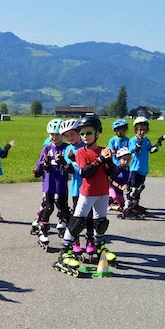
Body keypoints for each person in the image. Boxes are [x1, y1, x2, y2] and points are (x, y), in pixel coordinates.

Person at [54, 116, 118, 276]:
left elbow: (113, 172)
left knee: (100, 222)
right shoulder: (82, 152)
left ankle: (100, 246)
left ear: (97, 133)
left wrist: (109, 161)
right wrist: (100, 159)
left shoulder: (103, 150)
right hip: (88, 193)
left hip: (103, 192)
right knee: (78, 221)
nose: (85, 136)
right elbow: (84, 172)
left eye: (88, 133)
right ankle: (65, 251)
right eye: (82, 133)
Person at [31, 119, 70, 250]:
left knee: (63, 207)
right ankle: (43, 231)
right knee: (48, 207)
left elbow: (71, 164)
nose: (54, 137)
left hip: (61, 183)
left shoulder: (66, 148)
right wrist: (39, 169)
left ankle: (68, 229)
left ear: (62, 134)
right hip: (49, 184)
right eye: (52, 134)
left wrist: (65, 162)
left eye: (57, 134)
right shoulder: (47, 148)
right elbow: (40, 163)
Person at [121, 116, 165, 219]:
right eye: (140, 129)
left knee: (139, 189)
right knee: (133, 189)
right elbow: (135, 151)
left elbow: (151, 150)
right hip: (135, 169)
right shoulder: (133, 140)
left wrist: (159, 143)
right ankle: (127, 208)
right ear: (136, 130)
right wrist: (139, 143)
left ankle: (135, 205)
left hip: (144, 169)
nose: (142, 132)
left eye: (144, 130)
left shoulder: (146, 140)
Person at [60, 119, 95, 253]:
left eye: (72, 134)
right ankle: (75, 240)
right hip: (76, 187)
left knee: (90, 216)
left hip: (89, 187)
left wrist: (75, 159)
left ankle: (90, 239)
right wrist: (64, 163)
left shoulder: (86, 147)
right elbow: (70, 170)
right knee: (77, 216)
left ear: (79, 132)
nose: (70, 138)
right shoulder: (68, 149)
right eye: (66, 136)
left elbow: (89, 168)